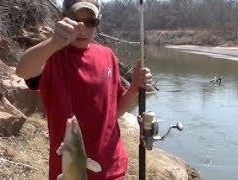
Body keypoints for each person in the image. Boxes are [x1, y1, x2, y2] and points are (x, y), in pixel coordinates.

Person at [15, 0, 153, 179]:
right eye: (75, 20)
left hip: (112, 169)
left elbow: (114, 112)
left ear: (98, 23)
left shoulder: (107, 55)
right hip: (67, 172)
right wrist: (54, 42)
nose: (83, 28)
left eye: (90, 22)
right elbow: (23, 70)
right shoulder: (51, 56)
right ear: (62, 19)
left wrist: (134, 87)